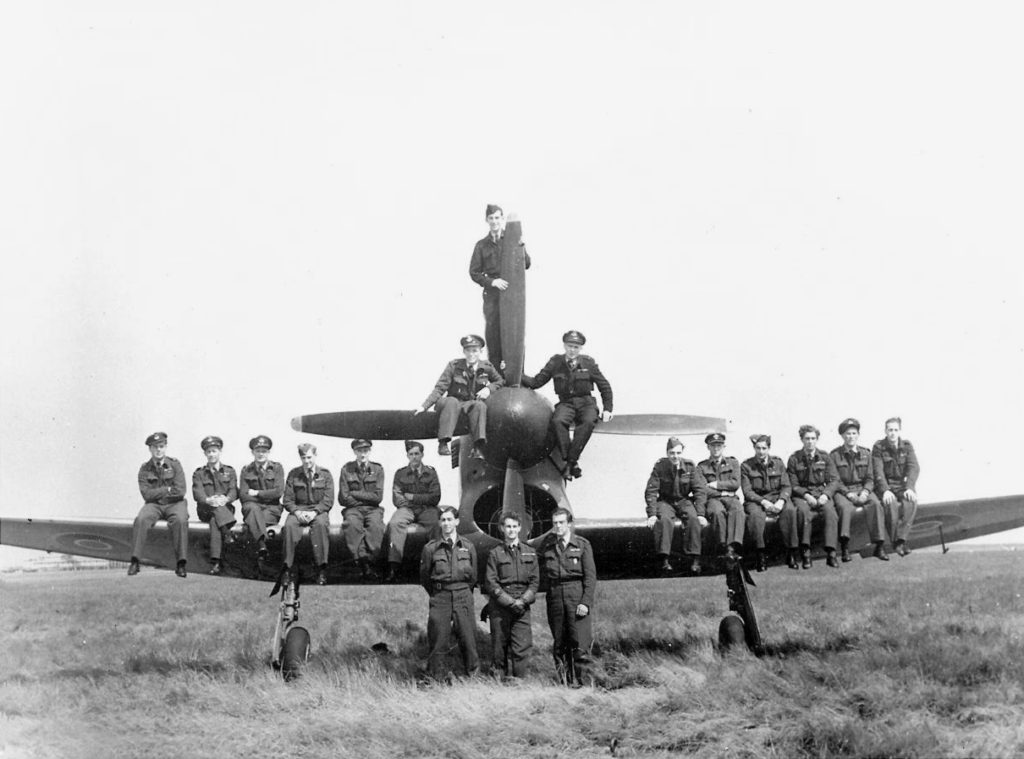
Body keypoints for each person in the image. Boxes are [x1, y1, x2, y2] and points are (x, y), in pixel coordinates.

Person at [521, 330, 613, 479]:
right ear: (564, 345)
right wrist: (515, 373)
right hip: (566, 403)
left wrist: (608, 409)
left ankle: (570, 462)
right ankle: (571, 462)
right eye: (570, 346)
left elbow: (604, 386)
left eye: (576, 347)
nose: (572, 350)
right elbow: (536, 382)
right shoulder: (555, 362)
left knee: (588, 422)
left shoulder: (588, 363)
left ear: (581, 348)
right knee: (558, 421)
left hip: (586, 403)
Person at [415, 334, 504, 458]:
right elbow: (440, 388)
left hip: (469, 404)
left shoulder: (486, 367)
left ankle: (478, 447)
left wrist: (488, 389)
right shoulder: (454, 365)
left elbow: (499, 381)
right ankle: (443, 443)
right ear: (464, 351)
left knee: (479, 405)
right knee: (452, 402)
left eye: (475, 351)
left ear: (480, 351)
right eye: (468, 351)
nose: (471, 354)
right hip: (449, 404)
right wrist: (424, 406)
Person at [537, 507, 596, 686]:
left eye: (562, 522)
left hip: (576, 594)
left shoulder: (582, 545)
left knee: (580, 641)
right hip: (555, 596)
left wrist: (585, 602)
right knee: (560, 642)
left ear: (569, 524)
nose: (558, 527)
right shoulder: (547, 546)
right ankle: (565, 682)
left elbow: (590, 576)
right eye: (555, 523)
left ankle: (584, 683)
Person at [468, 204, 531, 371]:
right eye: (491, 218)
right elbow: (474, 272)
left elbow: (527, 264)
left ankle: (518, 377)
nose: (494, 221)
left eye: (497, 218)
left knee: (515, 335)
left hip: (512, 296)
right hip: (493, 298)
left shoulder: (512, 241)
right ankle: (496, 379)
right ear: (486, 220)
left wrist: (521, 247)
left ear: (502, 219)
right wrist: (491, 282)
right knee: (494, 338)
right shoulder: (481, 245)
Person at [419, 506, 479, 680]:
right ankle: (436, 678)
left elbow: (473, 576)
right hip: (440, 596)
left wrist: (463, 590)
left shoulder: (468, 547)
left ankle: (473, 677)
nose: (446, 523)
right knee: (438, 639)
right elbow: (425, 576)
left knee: (468, 638)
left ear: (457, 521)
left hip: (462, 595)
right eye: (443, 520)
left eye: (450, 519)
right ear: (439, 523)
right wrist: (439, 592)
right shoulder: (430, 548)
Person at [484, 512, 540, 679]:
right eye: (508, 526)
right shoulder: (495, 553)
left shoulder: (530, 552)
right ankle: (499, 684)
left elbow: (535, 582)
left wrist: (522, 601)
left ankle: (519, 683)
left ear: (520, 528)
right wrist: (509, 602)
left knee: (522, 647)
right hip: (501, 605)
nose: (511, 530)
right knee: (499, 648)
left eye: (514, 526)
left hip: (522, 605)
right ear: (502, 528)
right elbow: (491, 582)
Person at [644, 437, 710, 574]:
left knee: (693, 520)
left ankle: (695, 560)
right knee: (664, 521)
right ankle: (664, 560)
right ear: (667, 453)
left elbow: (699, 490)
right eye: (672, 453)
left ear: (682, 453)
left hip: (684, 501)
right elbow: (651, 491)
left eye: (678, 453)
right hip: (666, 502)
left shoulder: (690, 467)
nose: (675, 456)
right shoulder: (660, 467)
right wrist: (652, 514)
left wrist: (701, 514)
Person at [130, 432, 189, 578]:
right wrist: (166, 490)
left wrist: (159, 493)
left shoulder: (175, 464)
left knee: (180, 520)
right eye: (155, 447)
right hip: (154, 505)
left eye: (161, 446)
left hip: (175, 504)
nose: (158, 450)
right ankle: (135, 560)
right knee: (141, 519)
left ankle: (181, 563)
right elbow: (146, 494)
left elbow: (180, 491)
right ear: (150, 449)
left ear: (166, 447)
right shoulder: (144, 469)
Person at [786, 425, 846, 568]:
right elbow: (793, 484)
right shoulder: (794, 459)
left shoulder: (825, 457)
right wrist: (806, 495)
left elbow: (834, 480)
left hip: (821, 493)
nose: (810, 442)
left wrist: (826, 495)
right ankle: (806, 553)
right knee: (803, 513)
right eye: (807, 438)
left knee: (830, 513)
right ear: (802, 439)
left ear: (817, 439)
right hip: (802, 495)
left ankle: (831, 552)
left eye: (813, 438)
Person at [829, 418, 888, 560]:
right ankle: (845, 547)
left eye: (854, 433)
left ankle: (879, 546)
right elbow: (835, 480)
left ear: (858, 435)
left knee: (875, 504)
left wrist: (866, 492)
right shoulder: (834, 455)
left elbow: (870, 478)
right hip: (843, 491)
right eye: (848, 434)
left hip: (862, 489)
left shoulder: (866, 453)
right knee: (843, 508)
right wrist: (848, 494)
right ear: (842, 436)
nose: (851, 437)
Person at [385, 440, 441, 582]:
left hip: (427, 509)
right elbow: (397, 497)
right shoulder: (400, 473)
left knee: (436, 524)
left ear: (422, 455)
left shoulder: (431, 473)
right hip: (407, 509)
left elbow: (435, 497)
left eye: (417, 453)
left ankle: (438, 564)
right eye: (411, 454)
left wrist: (413, 497)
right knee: (395, 523)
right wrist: (411, 501)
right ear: (407, 456)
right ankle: (394, 567)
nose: (414, 457)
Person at [740, 434, 798, 571]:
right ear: (754, 448)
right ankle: (760, 555)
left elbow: (786, 486)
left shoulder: (778, 463)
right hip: (756, 499)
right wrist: (763, 502)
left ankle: (791, 553)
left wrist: (781, 501)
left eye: (764, 448)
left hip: (777, 496)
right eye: (758, 448)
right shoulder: (746, 466)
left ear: (769, 448)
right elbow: (747, 491)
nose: (761, 452)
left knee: (789, 511)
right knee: (754, 516)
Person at [282, 443, 335, 585]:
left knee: (321, 526)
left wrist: (315, 512)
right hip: (299, 509)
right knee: (289, 527)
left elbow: (328, 500)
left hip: (318, 511)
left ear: (315, 456)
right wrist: (297, 512)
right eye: (304, 457)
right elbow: (287, 500)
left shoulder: (325, 474)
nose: (307, 461)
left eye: (310, 457)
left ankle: (321, 569)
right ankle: (287, 569)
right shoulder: (293, 474)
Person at [872, 416, 921, 557]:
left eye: (895, 430)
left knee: (911, 502)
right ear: (885, 431)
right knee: (890, 504)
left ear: (899, 431)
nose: (892, 433)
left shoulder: (906, 446)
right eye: (890, 430)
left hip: (901, 484)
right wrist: (885, 490)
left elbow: (914, 467)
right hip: (885, 485)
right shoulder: (878, 447)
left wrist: (910, 487)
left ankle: (901, 540)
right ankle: (896, 542)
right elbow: (877, 470)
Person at [339, 438, 386, 580]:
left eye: (365, 450)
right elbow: (343, 498)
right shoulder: (346, 469)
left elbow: (378, 497)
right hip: (353, 510)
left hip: (373, 509)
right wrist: (365, 498)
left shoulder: (378, 469)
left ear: (369, 451)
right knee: (352, 525)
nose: (363, 454)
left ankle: (370, 562)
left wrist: (354, 493)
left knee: (376, 526)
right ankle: (362, 562)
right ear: (354, 451)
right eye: (360, 450)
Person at [191, 436, 238, 576]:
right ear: (205, 454)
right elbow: (197, 493)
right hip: (206, 509)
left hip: (223, 510)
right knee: (214, 509)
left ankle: (215, 562)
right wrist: (208, 500)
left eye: (214, 451)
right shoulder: (199, 473)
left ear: (220, 451)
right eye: (209, 452)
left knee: (215, 521)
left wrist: (226, 498)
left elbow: (234, 490)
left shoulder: (230, 471)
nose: (211, 454)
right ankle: (227, 533)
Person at [697, 432, 746, 561]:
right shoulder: (701, 467)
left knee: (737, 510)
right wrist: (723, 492)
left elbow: (735, 484)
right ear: (708, 447)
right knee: (717, 512)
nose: (716, 448)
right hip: (714, 499)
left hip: (731, 498)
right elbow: (703, 489)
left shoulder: (733, 463)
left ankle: (732, 548)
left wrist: (716, 484)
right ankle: (722, 547)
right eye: (713, 446)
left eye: (719, 445)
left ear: (724, 446)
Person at [238, 435, 285, 560]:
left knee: (253, 523)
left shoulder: (277, 468)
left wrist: (257, 493)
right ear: (253, 452)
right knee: (252, 509)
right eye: (258, 451)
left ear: (268, 452)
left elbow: (278, 492)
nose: (260, 454)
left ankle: (261, 548)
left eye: (264, 451)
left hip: (271, 509)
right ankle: (262, 546)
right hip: (253, 508)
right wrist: (267, 495)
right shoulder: (246, 470)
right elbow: (243, 495)